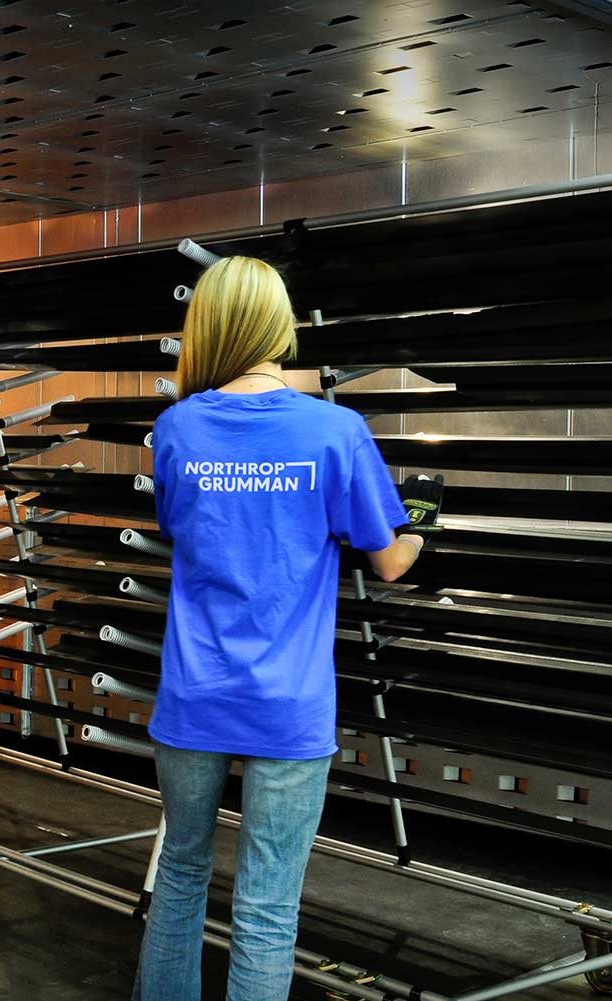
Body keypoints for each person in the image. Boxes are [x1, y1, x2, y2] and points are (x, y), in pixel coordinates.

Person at [134, 257, 443, 1000]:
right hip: (288, 704)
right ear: (281, 325)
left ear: (206, 326)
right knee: (268, 904)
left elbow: (180, 525)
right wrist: (426, 516)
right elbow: (391, 562)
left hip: (195, 694)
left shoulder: (176, 427)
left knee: (179, 872)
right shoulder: (335, 430)